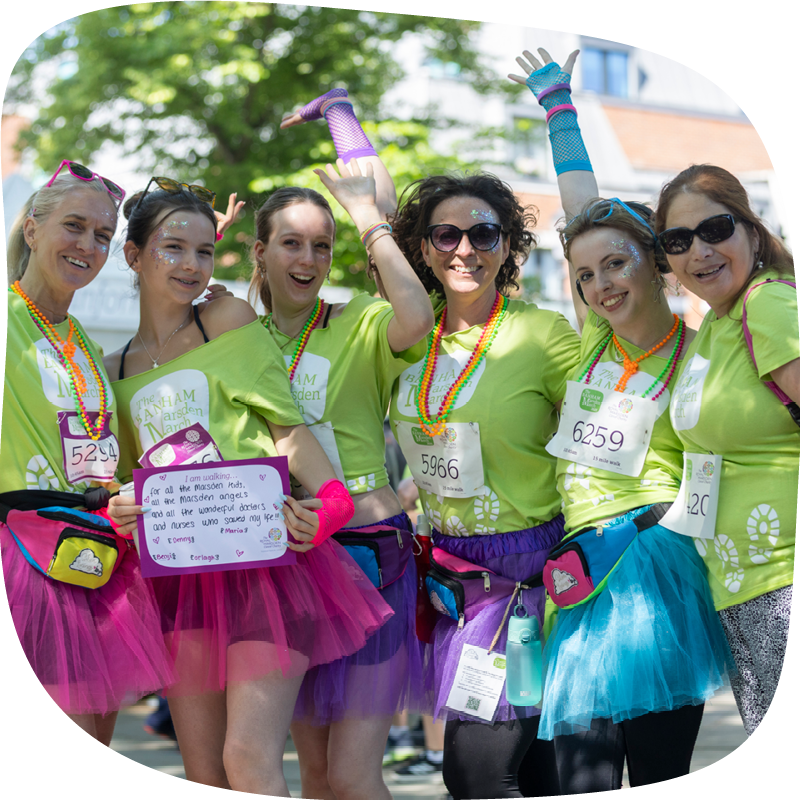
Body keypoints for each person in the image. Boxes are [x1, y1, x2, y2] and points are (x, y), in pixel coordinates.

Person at [104, 179, 392, 795]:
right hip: (181, 585)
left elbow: (287, 430)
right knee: (204, 773)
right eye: (172, 248)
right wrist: (122, 507)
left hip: (266, 568)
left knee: (248, 758)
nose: (191, 265)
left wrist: (333, 504)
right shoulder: (114, 368)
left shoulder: (227, 319)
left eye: (204, 252)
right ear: (132, 255)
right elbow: (134, 481)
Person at [509, 47, 735, 792]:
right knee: (580, 780)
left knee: (660, 772)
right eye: (584, 274)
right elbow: (580, 207)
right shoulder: (592, 341)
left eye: (615, 263)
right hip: (579, 576)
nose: (600, 284)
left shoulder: (704, 354)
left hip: (654, 572)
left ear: (653, 260)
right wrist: (558, 107)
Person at [252, 95, 435, 798]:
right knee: (320, 777)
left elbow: (416, 315)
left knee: (357, 775)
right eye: (291, 243)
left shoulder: (357, 320)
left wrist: (367, 218)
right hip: (289, 564)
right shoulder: (239, 337)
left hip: (372, 556)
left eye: (321, 245)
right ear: (260, 251)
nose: (308, 258)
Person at [388, 170, 579, 800]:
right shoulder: (404, 338)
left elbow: (599, 431)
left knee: (475, 770)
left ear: (507, 246)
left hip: (524, 577)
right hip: (446, 575)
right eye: (445, 234)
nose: (463, 248)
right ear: (422, 247)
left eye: (483, 233)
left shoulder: (542, 334)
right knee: (531, 770)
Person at [0, 161, 174, 745]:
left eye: (102, 235)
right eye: (74, 226)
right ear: (31, 229)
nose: (88, 245)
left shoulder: (82, 342)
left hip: (97, 553)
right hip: (24, 555)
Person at [654, 163, 798, 736]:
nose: (699, 252)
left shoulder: (767, 304)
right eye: (678, 241)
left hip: (784, 578)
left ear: (752, 231)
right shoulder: (714, 324)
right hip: (740, 587)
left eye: (716, 229)